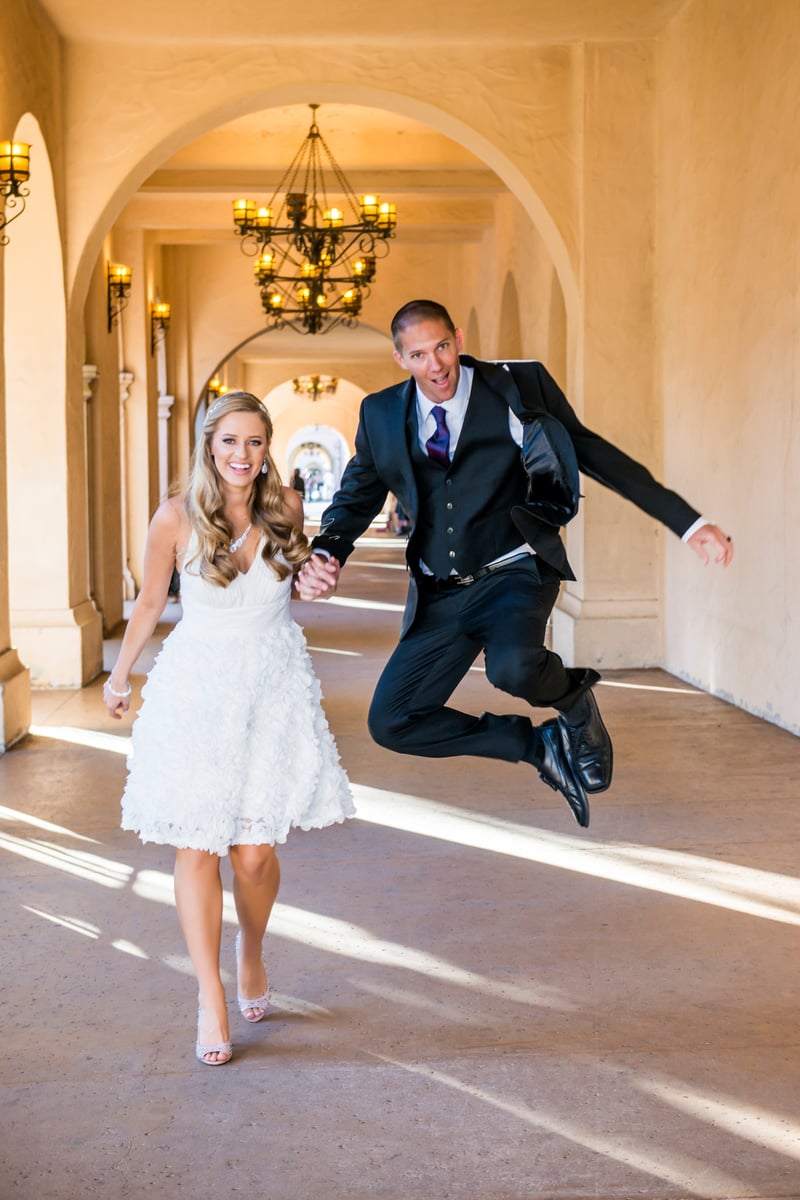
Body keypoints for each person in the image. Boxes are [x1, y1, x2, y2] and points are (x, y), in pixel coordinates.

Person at [296, 299, 733, 829]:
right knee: (392, 721)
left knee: (512, 668)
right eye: (419, 355)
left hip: (513, 569)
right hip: (441, 590)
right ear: (400, 359)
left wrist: (687, 522)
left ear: (458, 339)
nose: (436, 365)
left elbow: (594, 453)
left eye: (442, 347)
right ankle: (537, 746)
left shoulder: (517, 386)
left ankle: (573, 701)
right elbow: (357, 496)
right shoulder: (381, 413)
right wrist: (328, 551)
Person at [104, 391, 354, 1067]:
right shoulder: (174, 517)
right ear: (208, 446)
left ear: (267, 447)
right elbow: (149, 602)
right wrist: (120, 675)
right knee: (196, 846)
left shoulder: (287, 507)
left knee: (253, 854)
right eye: (229, 441)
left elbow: (300, 582)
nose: (242, 455)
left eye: (254, 441)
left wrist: (317, 580)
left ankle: (252, 946)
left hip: (272, 688)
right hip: (198, 691)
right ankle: (209, 996)